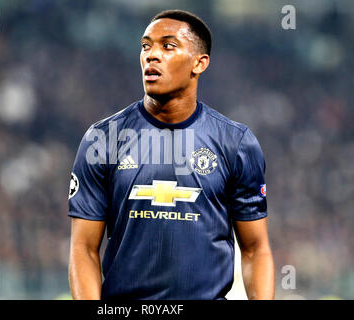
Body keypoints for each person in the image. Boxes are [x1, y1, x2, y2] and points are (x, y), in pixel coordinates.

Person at [68, 9, 275, 300]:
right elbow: (83, 249)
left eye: (167, 45)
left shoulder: (236, 143)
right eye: (145, 46)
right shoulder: (102, 140)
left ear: (199, 63)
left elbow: (255, 249)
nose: (151, 55)